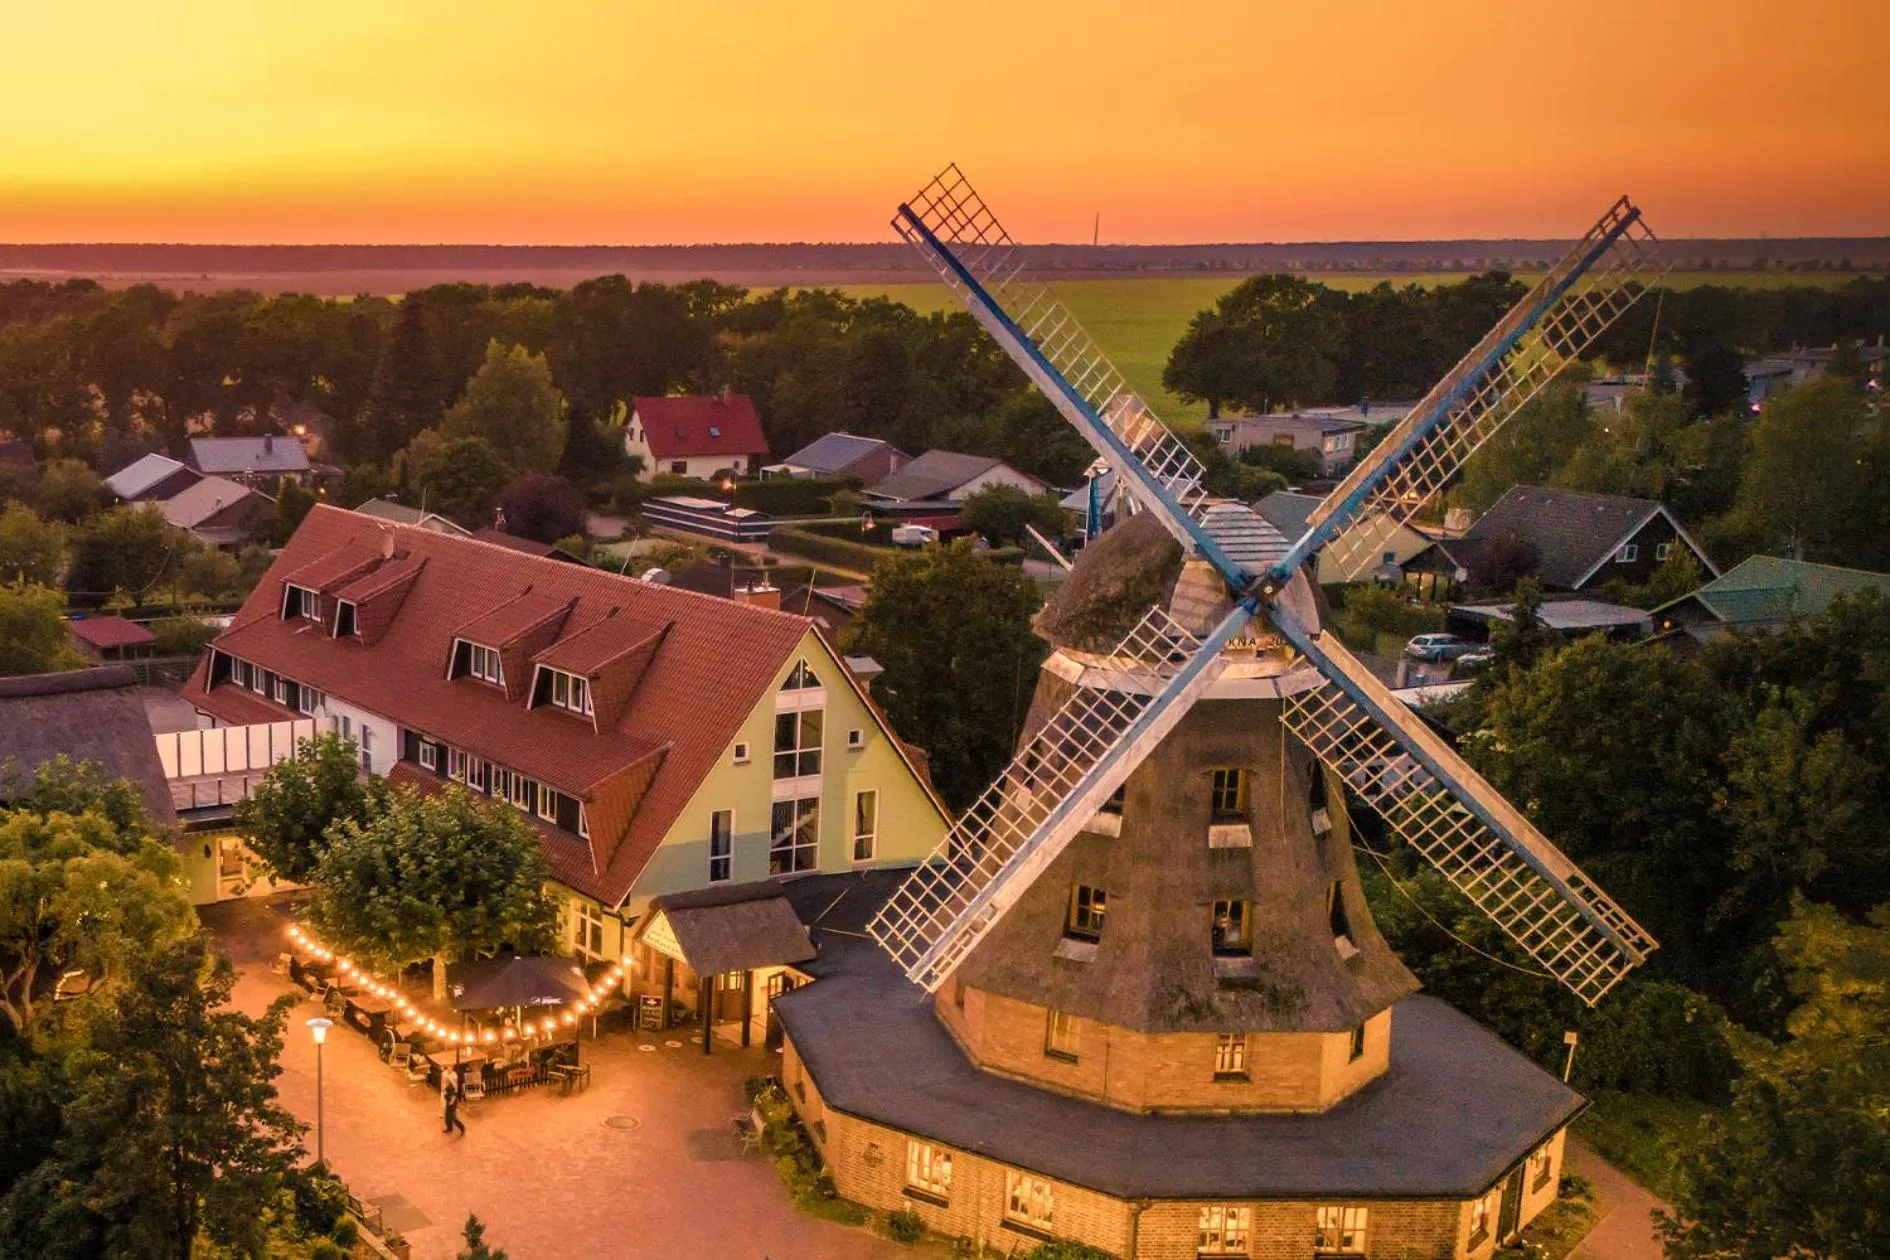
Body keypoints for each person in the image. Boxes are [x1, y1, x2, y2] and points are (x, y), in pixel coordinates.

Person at [441, 1066, 466, 1136]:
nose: (443, 1079)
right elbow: (444, 1091)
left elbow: (454, 1096)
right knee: (447, 1115)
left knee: (453, 1117)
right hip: (449, 1101)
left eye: (445, 1079)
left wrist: (451, 1103)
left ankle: (462, 1128)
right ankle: (449, 1128)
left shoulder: (450, 1087)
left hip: (452, 1102)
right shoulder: (446, 1085)